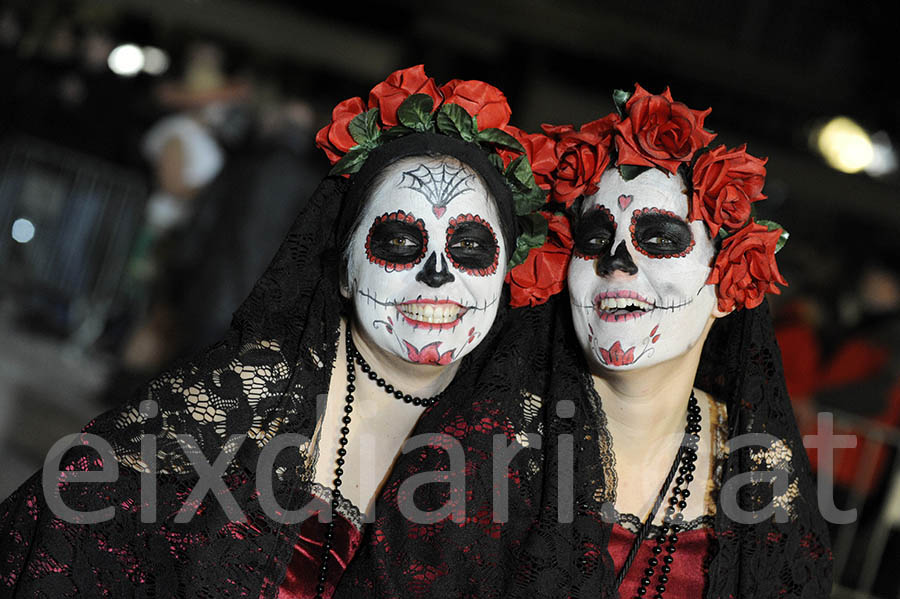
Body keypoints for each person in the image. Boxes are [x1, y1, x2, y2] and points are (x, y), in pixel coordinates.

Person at [0, 65, 560, 598]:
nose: (437, 274)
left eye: (470, 248)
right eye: (397, 242)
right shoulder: (238, 407)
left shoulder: (513, 463)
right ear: (344, 269)